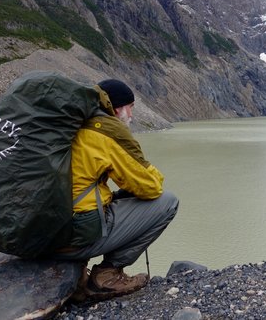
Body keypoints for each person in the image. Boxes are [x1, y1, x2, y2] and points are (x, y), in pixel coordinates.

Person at [53, 79, 179, 301]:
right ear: (118, 108)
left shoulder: (71, 125)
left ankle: (76, 270)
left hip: (39, 230)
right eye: (130, 107)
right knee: (167, 202)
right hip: (72, 236)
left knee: (104, 196)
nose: (131, 114)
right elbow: (149, 187)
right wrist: (151, 172)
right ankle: (106, 276)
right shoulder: (106, 131)